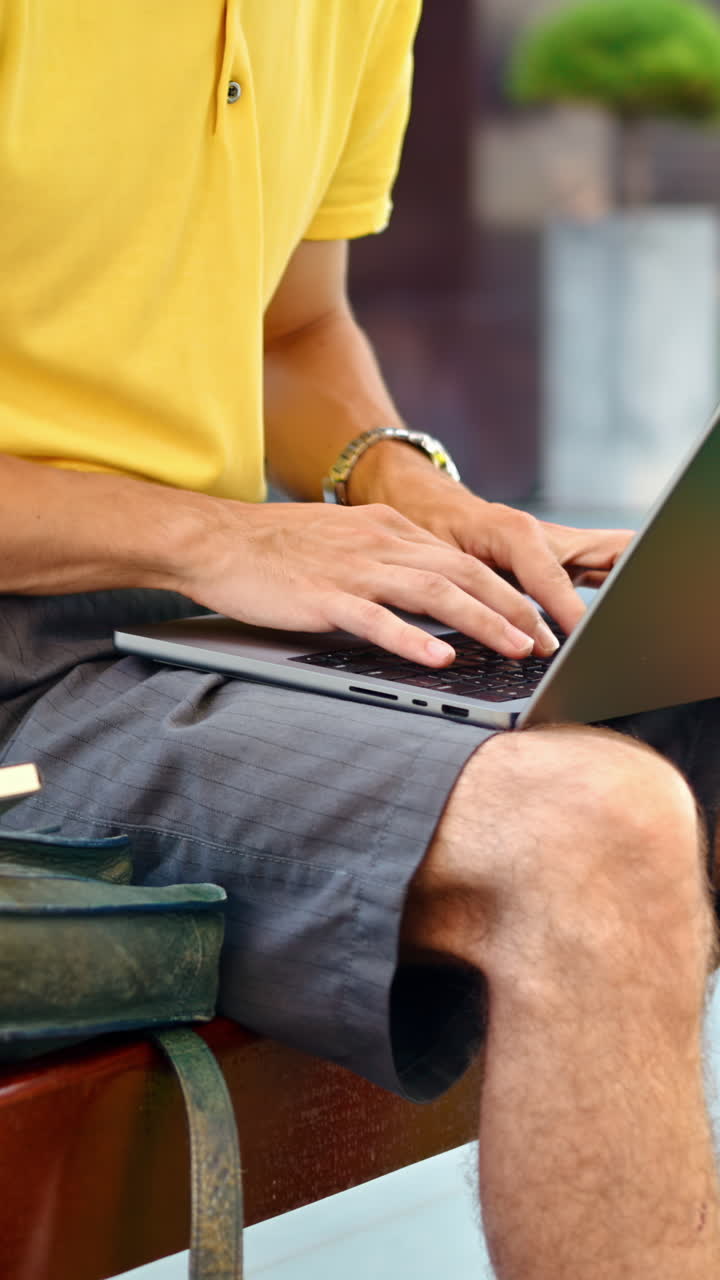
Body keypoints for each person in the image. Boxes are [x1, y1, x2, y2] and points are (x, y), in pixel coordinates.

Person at [0, 3, 718, 1275]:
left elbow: (292, 332)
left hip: (179, 617)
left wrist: (409, 489)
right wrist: (211, 539)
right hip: (35, 668)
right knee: (589, 828)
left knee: (687, 692)